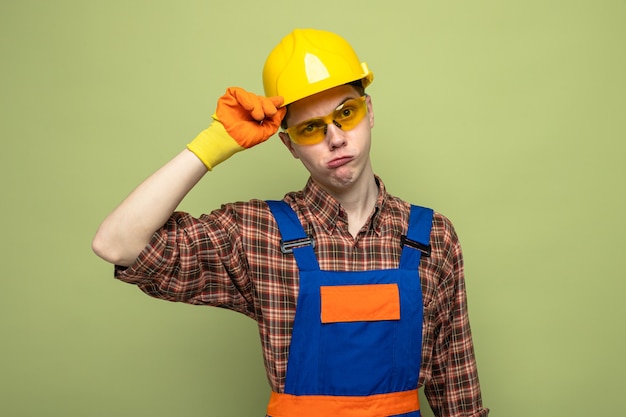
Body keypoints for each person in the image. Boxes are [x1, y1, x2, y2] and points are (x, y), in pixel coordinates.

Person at [92, 28, 489, 417]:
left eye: (345, 114)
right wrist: (213, 144)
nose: (334, 138)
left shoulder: (432, 236)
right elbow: (117, 244)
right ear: (289, 144)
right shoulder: (257, 232)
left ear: (369, 112)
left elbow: (458, 396)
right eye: (310, 128)